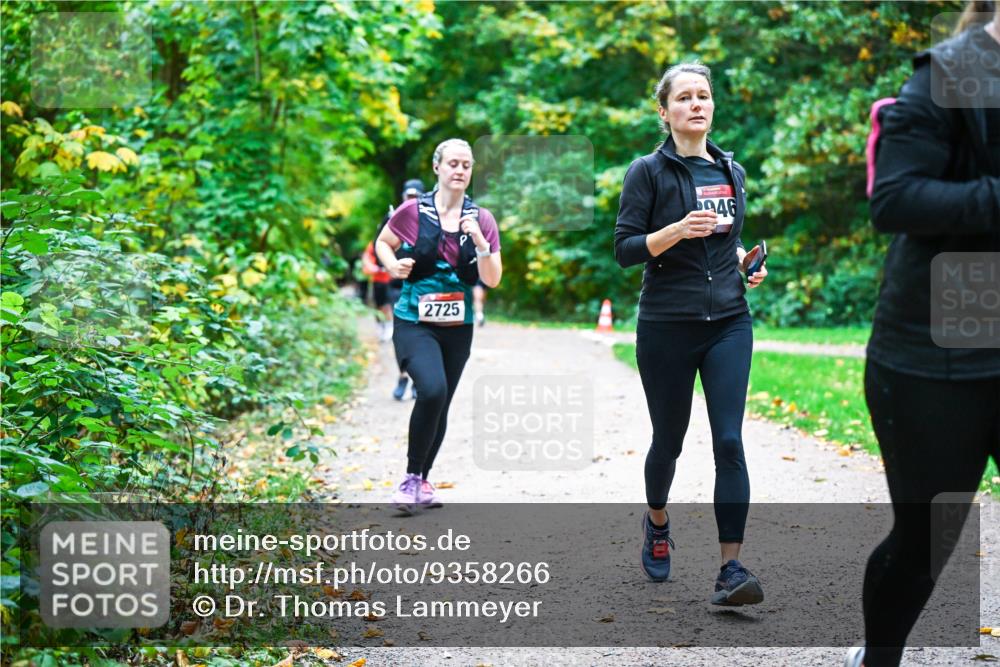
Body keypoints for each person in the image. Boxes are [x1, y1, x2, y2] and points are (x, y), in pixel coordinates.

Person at [847, 3, 1000, 666]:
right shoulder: (951, 72)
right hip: (937, 355)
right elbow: (896, 199)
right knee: (928, 539)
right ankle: (878, 657)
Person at [614, 62, 768, 604]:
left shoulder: (732, 170)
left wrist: (747, 266)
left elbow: (727, 245)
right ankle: (657, 523)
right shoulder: (647, 172)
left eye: (704, 96)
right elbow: (625, 250)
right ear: (665, 112)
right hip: (666, 326)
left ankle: (731, 570)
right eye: (684, 98)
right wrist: (677, 229)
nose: (696, 104)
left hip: (729, 321)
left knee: (729, 440)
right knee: (670, 441)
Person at [376, 139, 502, 513]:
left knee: (441, 401)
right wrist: (391, 265)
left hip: (458, 326)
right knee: (431, 390)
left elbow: (492, 279)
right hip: (414, 320)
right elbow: (383, 242)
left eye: (467, 164)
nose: (460, 170)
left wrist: (480, 242)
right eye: (453, 163)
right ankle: (411, 478)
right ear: (438, 168)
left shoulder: (482, 219)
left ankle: (423, 481)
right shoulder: (413, 211)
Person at [388, 179, 427, 400]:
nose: (411, 201)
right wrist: (391, 265)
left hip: (424, 288)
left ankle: (418, 379)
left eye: (416, 197)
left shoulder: (433, 218)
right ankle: (403, 376)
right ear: (403, 196)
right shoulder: (393, 218)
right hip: (397, 287)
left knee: (423, 336)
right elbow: (380, 246)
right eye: (408, 196)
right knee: (401, 337)